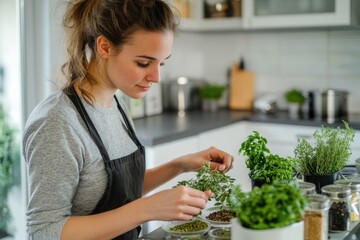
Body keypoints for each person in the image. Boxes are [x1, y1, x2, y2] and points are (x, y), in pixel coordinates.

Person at [22, 0, 234, 239]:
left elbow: (117, 190)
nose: (156, 77)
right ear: (104, 47)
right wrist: (148, 208)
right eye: (143, 63)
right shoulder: (57, 123)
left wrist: (180, 165)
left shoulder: (118, 105)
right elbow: (43, 231)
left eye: (160, 63)